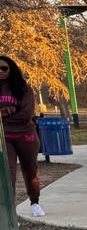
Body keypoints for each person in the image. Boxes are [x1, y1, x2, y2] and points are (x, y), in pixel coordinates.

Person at [0, 56, 44, 216]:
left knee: (30, 170)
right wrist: (6, 111)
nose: (1, 71)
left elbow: (26, 114)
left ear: (11, 69)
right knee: (7, 172)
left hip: (26, 136)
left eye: (4, 68)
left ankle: (34, 202)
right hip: (4, 136)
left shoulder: (24, 89)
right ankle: (10, 213)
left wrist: (3, 116)